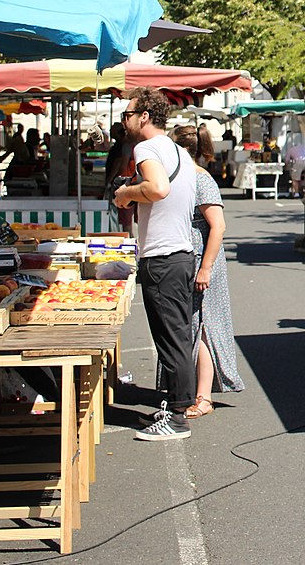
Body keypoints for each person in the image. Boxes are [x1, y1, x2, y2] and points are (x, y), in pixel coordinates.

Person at [114, 87, 199, 441]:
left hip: (163, 257)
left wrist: (126, 193)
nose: (124, 121)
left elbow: (159, 188)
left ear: (144, 117)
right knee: (176, 335)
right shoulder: (179, 151)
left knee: (172, 338)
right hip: (179, 253)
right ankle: (177, 406)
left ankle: (178, 416)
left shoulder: (146, 148)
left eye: (127, 115)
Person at [171, 125, 244, 418]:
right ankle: (192, 391)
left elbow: (218, 226)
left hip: (203, 261)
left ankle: (204, 396)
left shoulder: (202, 180)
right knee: (192, 325)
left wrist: (206, 268)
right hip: (192, 259)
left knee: (204, 327)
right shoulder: (185, 177)